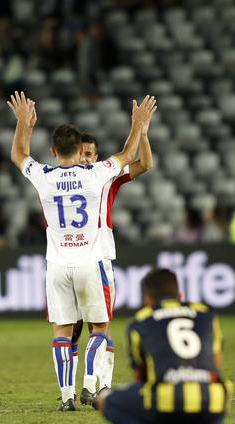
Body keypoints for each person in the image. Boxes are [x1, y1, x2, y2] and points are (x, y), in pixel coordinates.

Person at [7, 91, 157, 411]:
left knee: (62, 331)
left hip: (57, 265)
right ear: (79, 151)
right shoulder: (96, 174)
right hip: (91, 261)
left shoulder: (44, 177)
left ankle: (66, 397)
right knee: (100, 328)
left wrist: (24, 124)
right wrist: (138, 124)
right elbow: (129, 153)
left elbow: (19, 156)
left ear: (53, 150)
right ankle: (91, 383)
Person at [95, 268, 230, 424]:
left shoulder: (140, 322)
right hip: (209, 403)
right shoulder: (206, 313)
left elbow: (141, 376)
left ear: (147, 299)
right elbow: (216, 362)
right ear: (180, 294)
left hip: (164, 401)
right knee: (221, 388)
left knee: (106, 401)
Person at [72, 129, 154, 405]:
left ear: (96, 157)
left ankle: (98, 385)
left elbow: (145, 164)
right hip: (83, 259)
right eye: (81, 153)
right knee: (88, 328)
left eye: (89, 154)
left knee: (100, 326)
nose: (85, 158)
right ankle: (88, 386)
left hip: (93, 257)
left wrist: (142, 134)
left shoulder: (105, 175)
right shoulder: (66, 179)